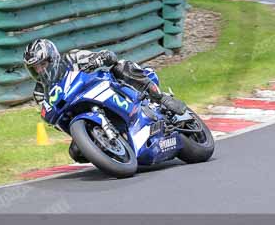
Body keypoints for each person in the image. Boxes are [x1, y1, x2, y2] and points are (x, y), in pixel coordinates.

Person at [24, 38, 186, 161]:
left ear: (53, 58)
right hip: (77, 115)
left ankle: (161, 98)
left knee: (121, 67)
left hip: (101, 91)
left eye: (42, 64)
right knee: (76, 153)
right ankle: (111, 150)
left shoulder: (71, 59)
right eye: (35, 68)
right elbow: (53, 118)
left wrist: (99, 59)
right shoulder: (39, 93)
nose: (40, 70)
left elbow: (109, 56)